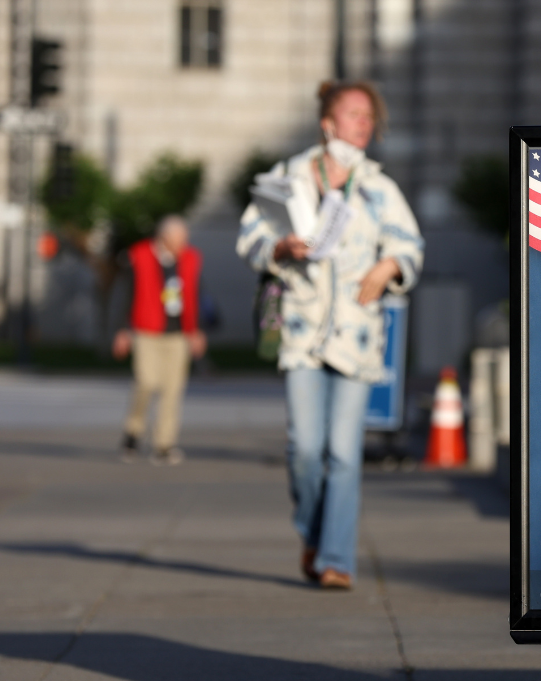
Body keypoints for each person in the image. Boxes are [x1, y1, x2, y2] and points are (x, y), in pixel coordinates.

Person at [236, 80, 423, 589]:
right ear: (328, 123)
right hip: (300, 332)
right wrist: (280, 249)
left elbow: (410, 245)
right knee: (304, 447)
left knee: (343, 452)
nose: (364, 124)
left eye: (370, 117)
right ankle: (312, 531)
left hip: (357, 338)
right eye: (355, 114)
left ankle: (335, 558)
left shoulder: (378, 187)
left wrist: (388, 266)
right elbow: (250, 233)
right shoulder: (289, 177)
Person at [114, 215, 207, 465]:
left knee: (172, 389)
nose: (183, 245)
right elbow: (127, 294)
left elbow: (196, 293)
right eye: (179, 240)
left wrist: (196, 330)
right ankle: (133, 431)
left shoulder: (190, 258)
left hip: (178, 332)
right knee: (146, 381)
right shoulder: (139, 255)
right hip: (147, 330)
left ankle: (164, 444)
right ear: (164, 239)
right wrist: (123, 330)